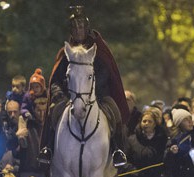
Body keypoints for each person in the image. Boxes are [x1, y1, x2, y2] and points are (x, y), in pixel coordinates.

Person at [39, 5, 130, 167]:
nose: (78, 30)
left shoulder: (98, 48)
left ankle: (117, 150)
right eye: (75, 27)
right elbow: (56, 78)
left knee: (115, 111)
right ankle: (48, 148)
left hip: (98, 94)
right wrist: (58, 92)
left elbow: (106, 72)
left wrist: (91, 89)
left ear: (87, 28)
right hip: (70, 96)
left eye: (81, 27)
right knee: (54, 111)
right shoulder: (65, 52)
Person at [121, 109, 168, 177]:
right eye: (144, 121)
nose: (146, 123)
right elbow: (124, 160)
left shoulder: (162, 139)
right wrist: (134, 171)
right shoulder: (132, 140)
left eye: (150, 121)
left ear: (155, 124)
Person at [15, 94, 52, 177]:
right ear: (33, 110)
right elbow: (19, 147)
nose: (41, 114)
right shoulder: (27, 123)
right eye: (39, 110)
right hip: (28, 171)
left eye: (44, 111)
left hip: (46, 172)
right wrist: (20, 137)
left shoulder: (51, 126)